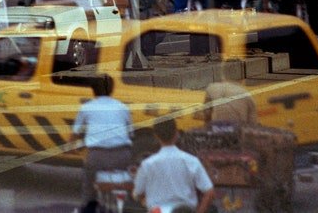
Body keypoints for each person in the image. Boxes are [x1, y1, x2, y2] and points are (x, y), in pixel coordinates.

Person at [71, 75, 134, 211]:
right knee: (126, 186)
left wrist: (73, 147)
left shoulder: (86, 108)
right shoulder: (123, 107)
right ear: (112, 89)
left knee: (89, 190)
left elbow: (75, 134)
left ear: (93, 90)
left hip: (96, 157)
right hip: (122, 156)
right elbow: (131, 134)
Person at [133, 118, 216, 213]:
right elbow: (209, 193)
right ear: (176, 134)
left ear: (156, 136)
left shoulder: (147, 164)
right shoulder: (191, 161)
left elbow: (137, 193)